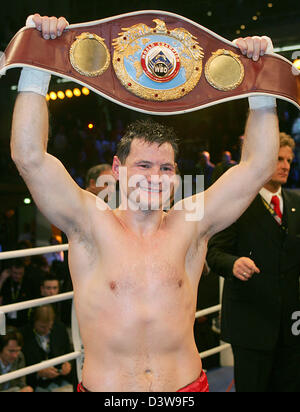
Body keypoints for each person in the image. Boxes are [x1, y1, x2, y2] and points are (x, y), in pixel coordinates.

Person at [10, 13, 279, 392]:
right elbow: (29, 156)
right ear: (117, 169)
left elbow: (258, 166)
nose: (155, 177)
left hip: (186, 389)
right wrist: (37, 61)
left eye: (166, 167)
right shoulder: (90, 221)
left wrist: (262, 81)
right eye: (144, 165)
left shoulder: (191, 221)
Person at [206, 133, 300, 392]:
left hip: (292, 327)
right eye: (278, 159)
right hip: (251, 327)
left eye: (289, 160)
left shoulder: (296, 202)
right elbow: (214, 253)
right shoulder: (238, 204)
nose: (285, 166)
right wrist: (233, 264)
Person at [21, 305, 73, 392]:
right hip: (36, 384)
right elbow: (21, 366)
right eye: (42, 327)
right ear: (34, 322)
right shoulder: (24, 335)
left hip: (61, 381)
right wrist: (38, 373)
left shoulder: (60, 329)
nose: (47, 330)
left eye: (50, 326)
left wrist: (68, 364)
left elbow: (69, 352)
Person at [0, 259, 32, 327]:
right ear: (10, 271)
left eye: (20, 273)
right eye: (15, 273)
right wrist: (2, 279)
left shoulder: (28, 282)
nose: (18, 276)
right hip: (5, 319)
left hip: (23, 320)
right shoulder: (6, 281)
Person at [0, 328, 33, 392]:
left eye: (17, 350)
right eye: (11, 351)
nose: (15, 355)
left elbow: (21, 383)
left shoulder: (20, 357)